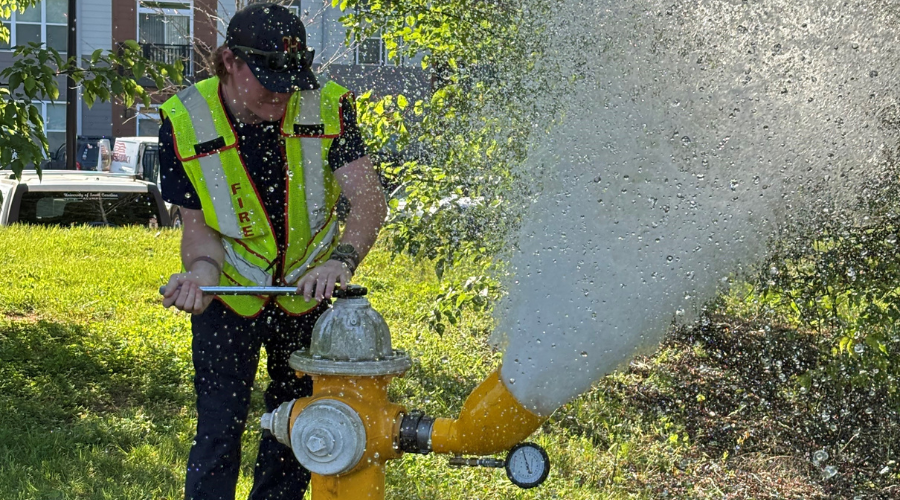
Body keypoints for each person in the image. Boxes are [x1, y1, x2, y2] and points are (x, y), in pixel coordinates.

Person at [158, 3, 387, 499]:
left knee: (298, 432)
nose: (281, 94)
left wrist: (340, 261)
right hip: (229, 296)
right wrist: (198, 273)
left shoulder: (328, 105)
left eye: (291, 79)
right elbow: (198, 231)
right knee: (218, 433)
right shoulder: (183, 121)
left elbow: (368, 200)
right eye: (266, 79)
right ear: (229, 62)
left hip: (305, 292)